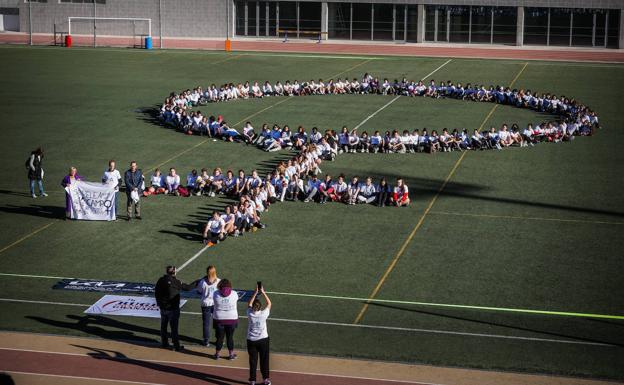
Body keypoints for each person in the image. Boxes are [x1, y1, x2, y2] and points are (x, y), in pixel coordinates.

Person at [155, 265, 196, 351]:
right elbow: (187, 288)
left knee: (163, 326)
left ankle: (164, 343)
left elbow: (156, 293)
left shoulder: (161, 280)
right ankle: (176, 346)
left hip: (163, 308)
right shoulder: (175, 282)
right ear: (174, 272)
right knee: (174, 328)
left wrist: (159, 304)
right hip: (173, 309)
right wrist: (197, 282)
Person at [247, 283, 272, 385]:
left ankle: (253, 380)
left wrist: (255, 292)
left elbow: (249, 303)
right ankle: (265, 379)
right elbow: (269, 304)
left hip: (251, 341)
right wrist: (264, 292)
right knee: (264, 360)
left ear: (253, 307)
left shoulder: (249, 313)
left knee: (253, 361)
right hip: (263, 340)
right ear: (260, 307)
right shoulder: (264, 314)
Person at [213, 278, 239, 360]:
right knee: (230, 337)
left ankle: (217, 354)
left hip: (219, 319)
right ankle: (231, 355)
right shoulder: (234, 294)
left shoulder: (215, 293)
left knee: (220, 338)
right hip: (232, 319)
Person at [197, 265, 220, 347]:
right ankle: (219, 339)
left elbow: (199, 291)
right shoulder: (218, 281)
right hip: (216, 304)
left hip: (205, 304)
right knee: (218, 322)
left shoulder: (202, 282)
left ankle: (206, 341)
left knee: (206, 323)